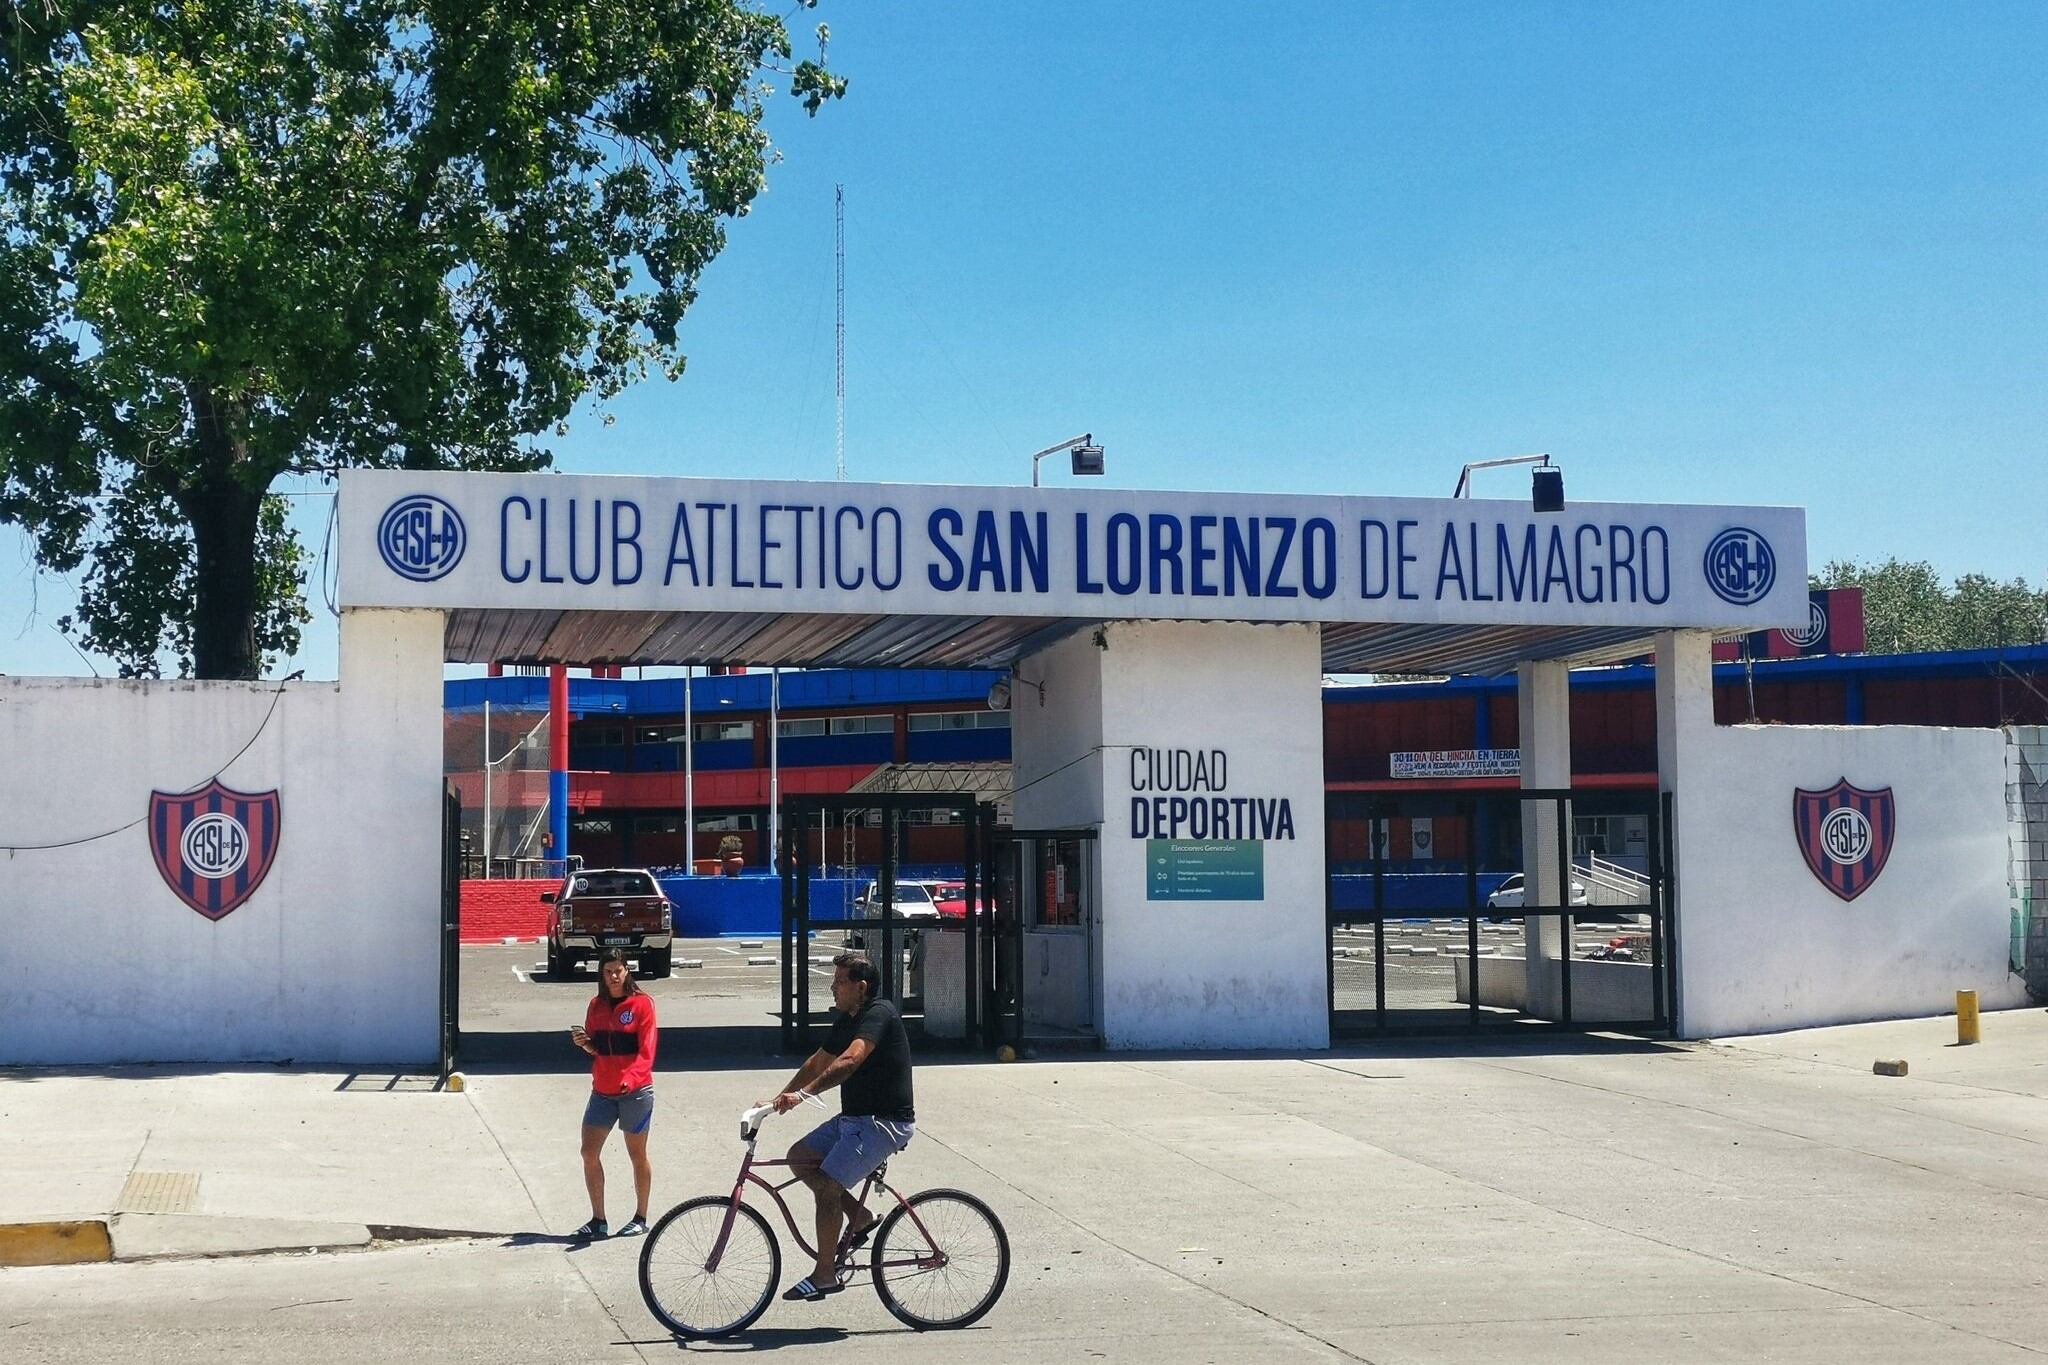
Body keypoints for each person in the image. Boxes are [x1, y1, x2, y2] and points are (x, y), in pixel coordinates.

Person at [769, 952, 915, 1301]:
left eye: (839, 983)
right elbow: (818, 1061)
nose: (833, 988)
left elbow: (850, 1059)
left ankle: (824, 1275)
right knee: (801, 1157)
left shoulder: (879, 1014)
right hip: (855, 1119)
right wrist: (778, 1099)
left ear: (860, 987)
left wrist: (803, 1096)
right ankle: (861, 1217)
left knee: (828, 1188)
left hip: (884, 1123)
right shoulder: (848, 1018)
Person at [568, 948, 657, 1239]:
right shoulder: (596, 1005)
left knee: (637, 1154)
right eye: (608, 971)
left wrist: (631, 1078)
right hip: (603, 1092)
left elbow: (647, 1051)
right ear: (601, 975)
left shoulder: (642, 1004)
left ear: (627, 970)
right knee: (588, 1152)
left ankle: (641, 1217)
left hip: (636, 1092)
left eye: (619, 970)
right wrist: (584, 1043)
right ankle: (598, 1220)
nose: (614, 976)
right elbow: (598, 1047)